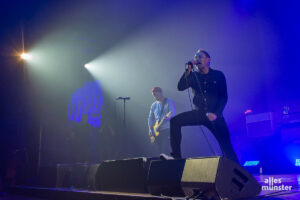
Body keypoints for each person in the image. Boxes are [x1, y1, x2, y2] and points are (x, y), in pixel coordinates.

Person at [161, 49, 238, 163]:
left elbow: (223, 97)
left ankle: (238, 172)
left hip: (215, 116)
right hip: (199, 113)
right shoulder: (193, 76)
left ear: (208, 60)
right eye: (196, 57)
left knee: (226, 146)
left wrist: (216, 114)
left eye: (200, 57)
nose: (197, 59)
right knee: (175, 121)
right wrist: (187, 71)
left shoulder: (218, 75)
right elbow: (180, 87)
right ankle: (176, 157)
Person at [148, 87, 175, 155]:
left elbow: (172, 113)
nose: (154, 96)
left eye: (155, 94)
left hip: (167, 129)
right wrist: (150, 129)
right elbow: (150, 118)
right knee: (158, 151)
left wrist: (167, 118)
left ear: (160, 92)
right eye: (153, 95)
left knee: (165, 149)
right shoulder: (153, 105)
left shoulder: (169, 102)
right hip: (157, 131)